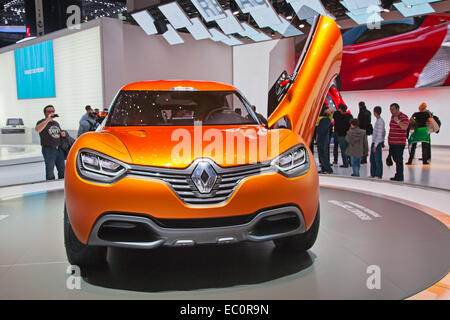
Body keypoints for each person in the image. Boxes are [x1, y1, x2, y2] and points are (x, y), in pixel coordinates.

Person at [35, 105, 66, 180]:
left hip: (59, 149)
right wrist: (47, 120)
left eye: (53, 111)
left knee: (62, 170)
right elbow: (37, 129)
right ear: (45, 113)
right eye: (49, 111)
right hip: (48, 149)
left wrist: (63, 134)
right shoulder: (41, 122)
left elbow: (59, 132)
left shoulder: (56, 123)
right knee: (50, 170)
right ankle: (50, 185)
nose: (52, 113)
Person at [388, 103, 409, 181]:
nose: (391, 111)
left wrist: (398, 121)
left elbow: (405, 127)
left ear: (397, 109)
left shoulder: (404, 117)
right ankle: (398, 175)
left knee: (399, 160)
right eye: (390, 110)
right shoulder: (392, 117)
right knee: (395, 159)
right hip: (392, 142)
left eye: (392, 109)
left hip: (399, 143)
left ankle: (399, 176)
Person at [333, 103, 353, 168]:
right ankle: (351, 162)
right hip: (348, 135)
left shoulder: (338, 116)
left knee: (343, 150)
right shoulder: (349, 116)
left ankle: (345, 163)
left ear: (340, 109)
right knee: (349, 149)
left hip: (341, 135)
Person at [316, 105, 333, 174]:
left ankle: (327, 169)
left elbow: (321, 130)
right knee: (322, 154)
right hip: (323, 138)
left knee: (323, 154)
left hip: (322, 138)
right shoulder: (326, 118)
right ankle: (324, 168)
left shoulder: (324, 119)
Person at [370, 106, 385, 179]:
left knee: (377, 160)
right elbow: (383, 132)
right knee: (372, 159)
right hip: (375, 142)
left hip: (377, 143)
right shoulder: (379, 120)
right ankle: (373, 174)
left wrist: (376, 145)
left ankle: (378, 175)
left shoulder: (380, 121)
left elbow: (380, 134)